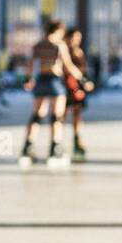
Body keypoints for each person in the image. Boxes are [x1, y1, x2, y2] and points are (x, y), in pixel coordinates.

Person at [20, 19, 84, 166]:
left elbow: (29, 65)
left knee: (36, 115)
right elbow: (68, 65)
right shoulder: (59, 45)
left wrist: (27, 79)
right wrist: (83, 79)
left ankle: (27, 147)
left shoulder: (38, 45)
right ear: (58, 31)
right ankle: (55, 149)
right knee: (57, 117)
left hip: (41, 80)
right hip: (55, 81)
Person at [64, 27, 95, 160]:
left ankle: (77, 140)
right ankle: (57, 141)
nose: (76, 40)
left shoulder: (78, 51)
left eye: (78, 38)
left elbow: (83, 70)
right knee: (61, 114)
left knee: (77, 113)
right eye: (74, 37)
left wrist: (84, 83)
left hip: (77, 87)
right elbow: (68, 68)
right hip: (66, 86)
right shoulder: (64, 50)